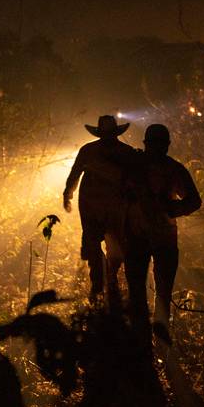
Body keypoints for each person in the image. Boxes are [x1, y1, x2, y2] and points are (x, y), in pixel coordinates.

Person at [124, 124, 201, 346]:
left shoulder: (169, 169)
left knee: (156, 290)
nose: (158, 148)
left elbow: (194, 201)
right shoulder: (139, 167)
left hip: (156, 236)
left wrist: (167, 208)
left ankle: (153, 338)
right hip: (146, 235)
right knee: (148, 290)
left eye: (160, 144)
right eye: (156, 144)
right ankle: (149, 338)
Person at [63, 115, 138, 308]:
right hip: (98, 208)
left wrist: (68, 194)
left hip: (105, 208)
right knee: (100, 246)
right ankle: (102, 283)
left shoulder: (93, 150)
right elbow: (75, 173)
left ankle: (104, 282)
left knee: (104, 247)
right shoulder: (124, 152)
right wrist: (68, 194)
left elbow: (75, 173)